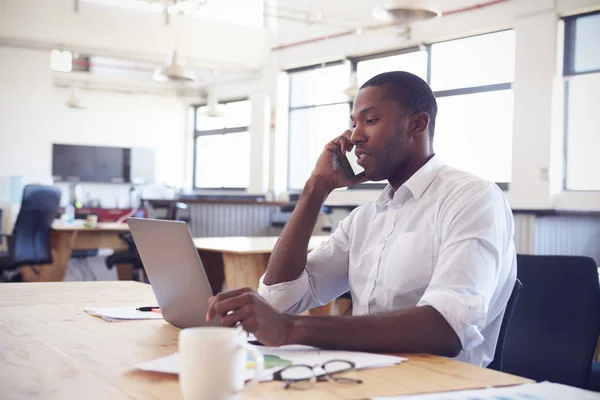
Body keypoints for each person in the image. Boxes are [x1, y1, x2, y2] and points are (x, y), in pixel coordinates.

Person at [206, 71, 516, 367]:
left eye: (370, 121)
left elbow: (447, 328)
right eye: (353, 124)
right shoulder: (366, 218)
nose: (354, 138)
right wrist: (316, 189)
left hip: (440, 387)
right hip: (364, 373)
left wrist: (291, 329)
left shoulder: (473, 198)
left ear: (418, 124)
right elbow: (279, 299)